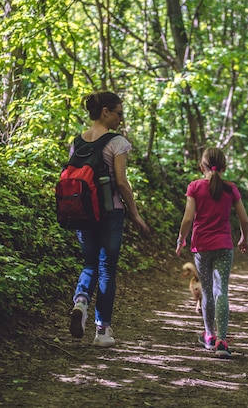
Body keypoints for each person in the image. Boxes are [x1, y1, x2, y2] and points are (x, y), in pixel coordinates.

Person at [69, 91, 150, 347]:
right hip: (110, 213)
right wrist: (135, 213)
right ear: (105, 111)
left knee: (89, 263)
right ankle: (102, 331)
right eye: (118, 114)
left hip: (82, 213)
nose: (120, 120)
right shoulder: (117, 142)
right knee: (106, 270)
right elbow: (122, 183)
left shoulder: (77, 141)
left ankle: (81, 300)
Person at [175, 147, 248, 358]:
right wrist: (244, 238)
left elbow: (188, 219)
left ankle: (209, 336)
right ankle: (222, 341)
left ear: (201, 166)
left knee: (207, 291)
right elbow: (244, 219)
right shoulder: (230, 189)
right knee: (222, 291)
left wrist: (181, 239)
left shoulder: (195, 187)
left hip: (202, 247)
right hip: (224, 246)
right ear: (224, 167)